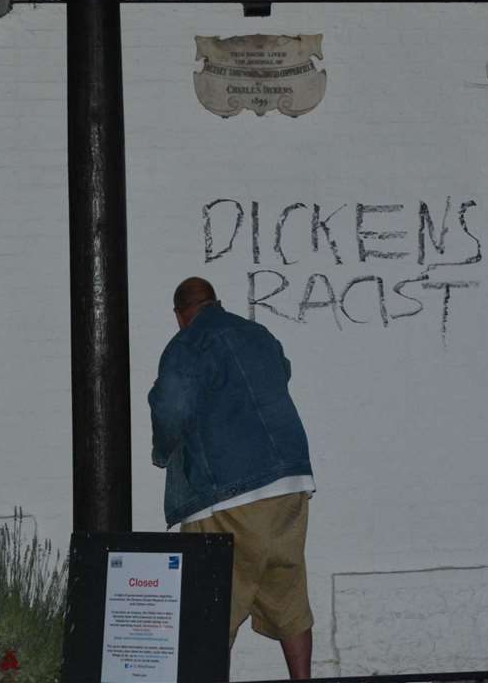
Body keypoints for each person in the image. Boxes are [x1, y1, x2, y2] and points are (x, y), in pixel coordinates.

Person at [149, 277, 316, 679]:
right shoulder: (256, 333)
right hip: (289, 485)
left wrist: (162, 450)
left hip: (227, 494)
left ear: (179, 315)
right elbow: (283, 371)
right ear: (215, 302)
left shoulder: (186, 345)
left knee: (208, 605)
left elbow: (171, 408)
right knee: (287, 589)